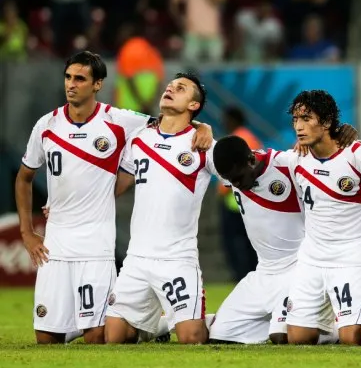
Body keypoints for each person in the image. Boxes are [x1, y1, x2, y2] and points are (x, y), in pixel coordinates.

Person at [15, 52, 210, 345]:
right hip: (56, 243)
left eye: (80, 78)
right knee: (46, 340)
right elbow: (24, 177)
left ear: (97, 84)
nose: (71, 84)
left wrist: (202, 126)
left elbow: (170, 122)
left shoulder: (119, 121)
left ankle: (156, 326)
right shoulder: (47, 125)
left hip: (97, 244)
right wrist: (26, 232)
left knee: (99, 338)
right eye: (68, 77)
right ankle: (146, 326)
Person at [105, 72, 218, 345]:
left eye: (181, 88)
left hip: (177, 258)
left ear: (193, 105)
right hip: (137, 258)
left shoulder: (203, 144)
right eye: (170, 85)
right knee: (114, 338)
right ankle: (159, 327)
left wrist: (204, 127)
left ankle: (213, 320)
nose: (170, 88)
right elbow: (118, 186)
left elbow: (237, 174)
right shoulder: (139, 138)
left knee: (192, 339)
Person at [285, 90, 361, 346]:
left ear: (327, 122)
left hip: (349, 259)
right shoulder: (296, 159)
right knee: (297, 338)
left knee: (352, 339)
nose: (298, 126)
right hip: (311, 260)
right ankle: (331, 329)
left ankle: (358, 326)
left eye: (306, 118)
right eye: (296, 119)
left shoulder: (358, 155)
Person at [208, 135, 303, 344]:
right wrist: (202, 127)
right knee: (220, 334)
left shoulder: (287, 164)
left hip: (299, 270)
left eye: (238, 179)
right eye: (230, 181)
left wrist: (344, 135)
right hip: (263, 273)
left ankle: (334, 327)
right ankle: (285, 320)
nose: (235, 185)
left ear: (251, 160)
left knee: (283, 336)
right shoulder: (232, 170)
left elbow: (332, 160)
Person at [218, 107, 262, 281]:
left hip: (236, 203)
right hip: (246, 201)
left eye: (226, 119)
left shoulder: (237, 140)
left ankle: (243, 278)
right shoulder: (250, 137)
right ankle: (251, 276)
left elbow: (237, 170)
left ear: (233, 120)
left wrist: (222, 190)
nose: (223, 123)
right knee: (249, 245)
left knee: (237, 245)